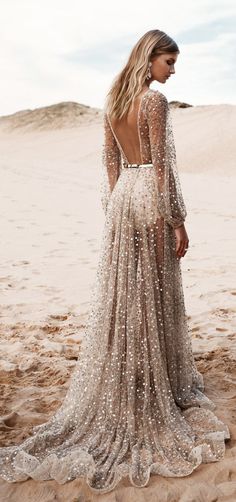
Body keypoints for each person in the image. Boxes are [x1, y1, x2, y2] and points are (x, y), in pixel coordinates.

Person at [0, 28, 230, 494]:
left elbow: (109, 161)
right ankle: (155, 378)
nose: (172, 71)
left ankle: (137, 370)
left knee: (130, 291)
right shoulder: (154, 102)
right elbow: (164, 164)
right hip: (150, 194)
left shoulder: (112, 99)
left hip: (124, 195)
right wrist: (177, 219)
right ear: (150, 59)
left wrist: (116, 205)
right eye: (169, 62)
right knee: (156, 288)